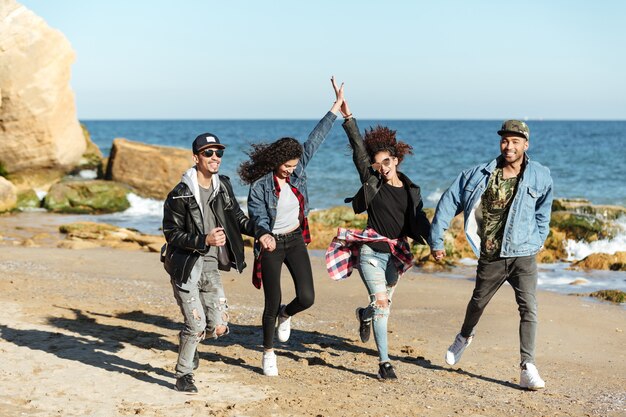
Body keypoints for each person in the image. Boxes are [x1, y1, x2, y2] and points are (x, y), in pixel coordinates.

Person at [429, 120, 553, 390]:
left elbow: (544, 211)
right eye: (505, 141)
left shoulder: (540, 175)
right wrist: (436, 239)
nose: (509, 146)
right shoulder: (478, 174)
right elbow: (449, 202)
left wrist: (538, 240)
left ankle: (527, 366)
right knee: (477, 304)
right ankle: (464, 336)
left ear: (525, 145)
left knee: (529, 308)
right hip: (491, 255)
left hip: (523, 254)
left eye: (515, 141)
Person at [238, 79, 344, 376]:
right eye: (287, 165)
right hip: (271, 244)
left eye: (295, 165)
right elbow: (257, 216)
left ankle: (288, 314)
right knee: (271, 301)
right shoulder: (261, 187)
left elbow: (315, 139)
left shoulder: (298, 171)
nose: (291, 169)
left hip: (296, 241)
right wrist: (264, 235)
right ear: (276, 161)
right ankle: (268, 352)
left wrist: (334, 109)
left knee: (307, 297)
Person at [327, 78, 430, 380]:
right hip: (371, 252)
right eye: (377, 164)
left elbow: (419, 219)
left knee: (379, 306)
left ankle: (364, 314)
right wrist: (348, 118)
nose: (382, 167)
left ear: (396, 160)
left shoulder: (412, 191)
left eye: (387, 162)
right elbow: (358, 149)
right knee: (383, 305)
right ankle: (384, 363)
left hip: (396, 255)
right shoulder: (371, 183)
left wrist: (436, 240)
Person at [162, 132, 270, 393]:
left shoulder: (223, 186)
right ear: (196, 157)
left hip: (212, 265)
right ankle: (184, 375)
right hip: (186, 266)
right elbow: (171, 233)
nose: (215, 158)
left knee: (218, 327)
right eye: (208, 153)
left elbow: (237, 218)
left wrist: (261, 231)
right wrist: (204, 239)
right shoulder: (179, 195)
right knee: (196, 324)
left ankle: (190, 341)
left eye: (218, 153)